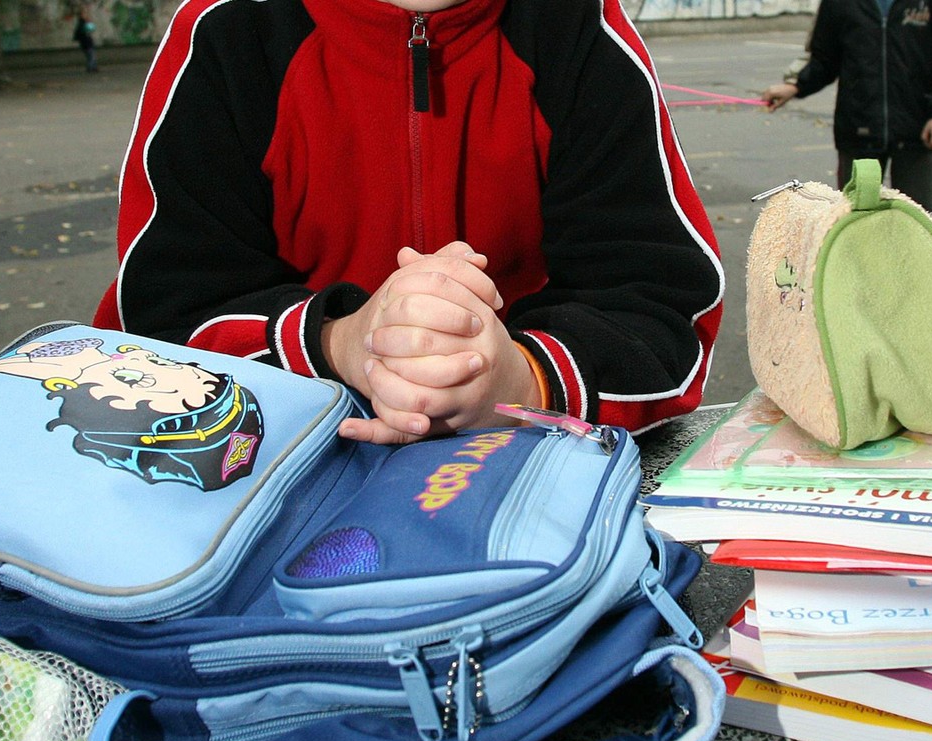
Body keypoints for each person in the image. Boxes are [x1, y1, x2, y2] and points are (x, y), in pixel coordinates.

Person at [94, 0, 724, 445]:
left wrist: (518, 382)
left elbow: (659, 303)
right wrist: (340, 342)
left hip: (520, 464)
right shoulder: (228, 31)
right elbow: (162, 318)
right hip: (259, 465)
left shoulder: (577, 26)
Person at [761, 0, 932, 229]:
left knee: (923, 227)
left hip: (918, 132)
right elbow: (823, 56)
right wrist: (795, 85)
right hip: (858, 130)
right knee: (856, 227)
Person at [72, 4, 98, 73]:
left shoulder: (81, 23)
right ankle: (91, 68)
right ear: (81, 15)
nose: (86, 15)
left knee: (91, 56)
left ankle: (93, 67)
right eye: (84, 14)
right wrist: (89, 22)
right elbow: (91, 29)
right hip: (86, 43)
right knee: (91, 56)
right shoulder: (82, 23)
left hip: (85, 43)